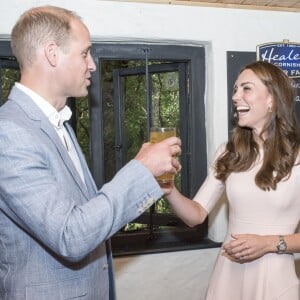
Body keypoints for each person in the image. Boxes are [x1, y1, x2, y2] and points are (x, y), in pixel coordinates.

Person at [0, 5, 181, 300]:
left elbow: (84, 215)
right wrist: (142, 169)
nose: (93, 64)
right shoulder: (9, 133)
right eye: (84, 53)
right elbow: (70, 235)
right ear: (52, 53)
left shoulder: (59, 124)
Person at [166, 61, 300, 299]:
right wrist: (168, 188)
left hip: (274, 280)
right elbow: (195, 215)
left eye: (246, 89)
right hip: (228, 274)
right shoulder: (228, 153)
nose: (236, 96)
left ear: (272, 100)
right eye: (235, 89)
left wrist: (269, 243)